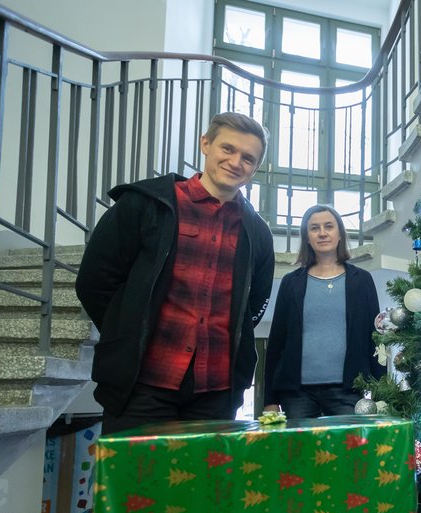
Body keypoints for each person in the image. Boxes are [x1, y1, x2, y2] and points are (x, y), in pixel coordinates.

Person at [76, 112, 275, 435]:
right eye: (228, 149)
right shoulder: (145, 206)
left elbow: (252, 306)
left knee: (206, 487)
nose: (236, 162)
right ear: (205, 144)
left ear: (254, 169)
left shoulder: (257, 232)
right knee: (134, 485)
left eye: (248, 158)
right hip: (141, 387)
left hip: (216, 393)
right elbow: (94, 281)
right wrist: (128, 327)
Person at [263, 204, 385, 418]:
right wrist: (269, 401)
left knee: (349, 452)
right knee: (300, 452)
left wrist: (382, 392)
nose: (322, 233)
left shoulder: (362, 281)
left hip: (349, 391)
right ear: (307, 237)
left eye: (328, 226)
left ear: (339, 234)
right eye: (314, 228)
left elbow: (375, 338)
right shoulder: (290, 283)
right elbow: (276, 343)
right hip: (297, 394)